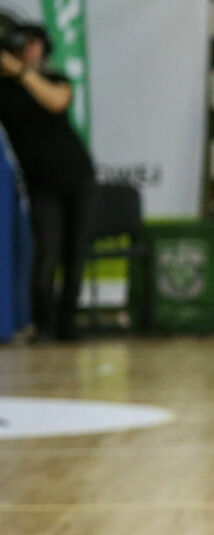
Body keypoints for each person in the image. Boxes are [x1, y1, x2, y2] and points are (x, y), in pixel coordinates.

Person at [0, 23, 94, 341]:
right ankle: (44, 326)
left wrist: (24, 73)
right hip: (41, 184)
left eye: (34, 43)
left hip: (78, 177)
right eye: (21, 44)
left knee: (75, 254)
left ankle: (68, 324)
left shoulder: (53, 79)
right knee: (47, 253)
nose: (28, 49)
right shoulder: (4, 90)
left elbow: (57, 101)